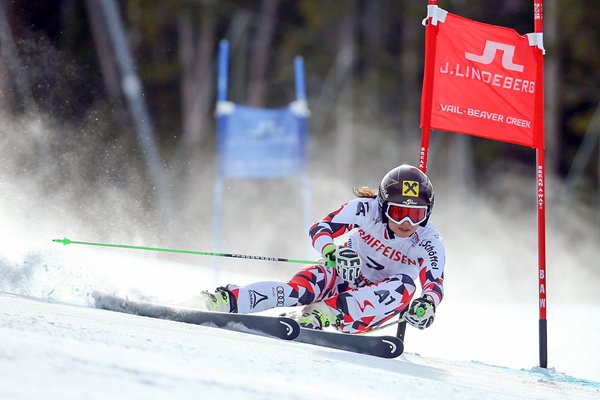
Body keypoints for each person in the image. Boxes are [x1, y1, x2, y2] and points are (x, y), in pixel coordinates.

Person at [200, 164, 445, 334]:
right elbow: (321, 228)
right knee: (298, 290)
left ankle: (322, 313)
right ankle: (228, 300)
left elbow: (434, 284)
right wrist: (332, 252)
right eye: (399, 212)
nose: (406, 223)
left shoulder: (429, 240)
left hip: (366, 308)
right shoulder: (365, 209)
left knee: (406, 285)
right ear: (382, 206)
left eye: (416, 214)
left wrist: (427, 305)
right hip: (341, 277)